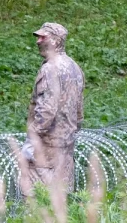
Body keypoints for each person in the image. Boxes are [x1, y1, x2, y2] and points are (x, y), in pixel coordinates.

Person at [24, 22, 85, 192]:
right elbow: (79, 110)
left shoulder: (50, 69)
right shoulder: (74, 67)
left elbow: (47, 110)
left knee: (37, 199)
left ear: (56, 41)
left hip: (46, 148)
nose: (38, 41)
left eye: (43, 37)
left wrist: (31, 140)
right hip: (66, 146)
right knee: (62, 198)